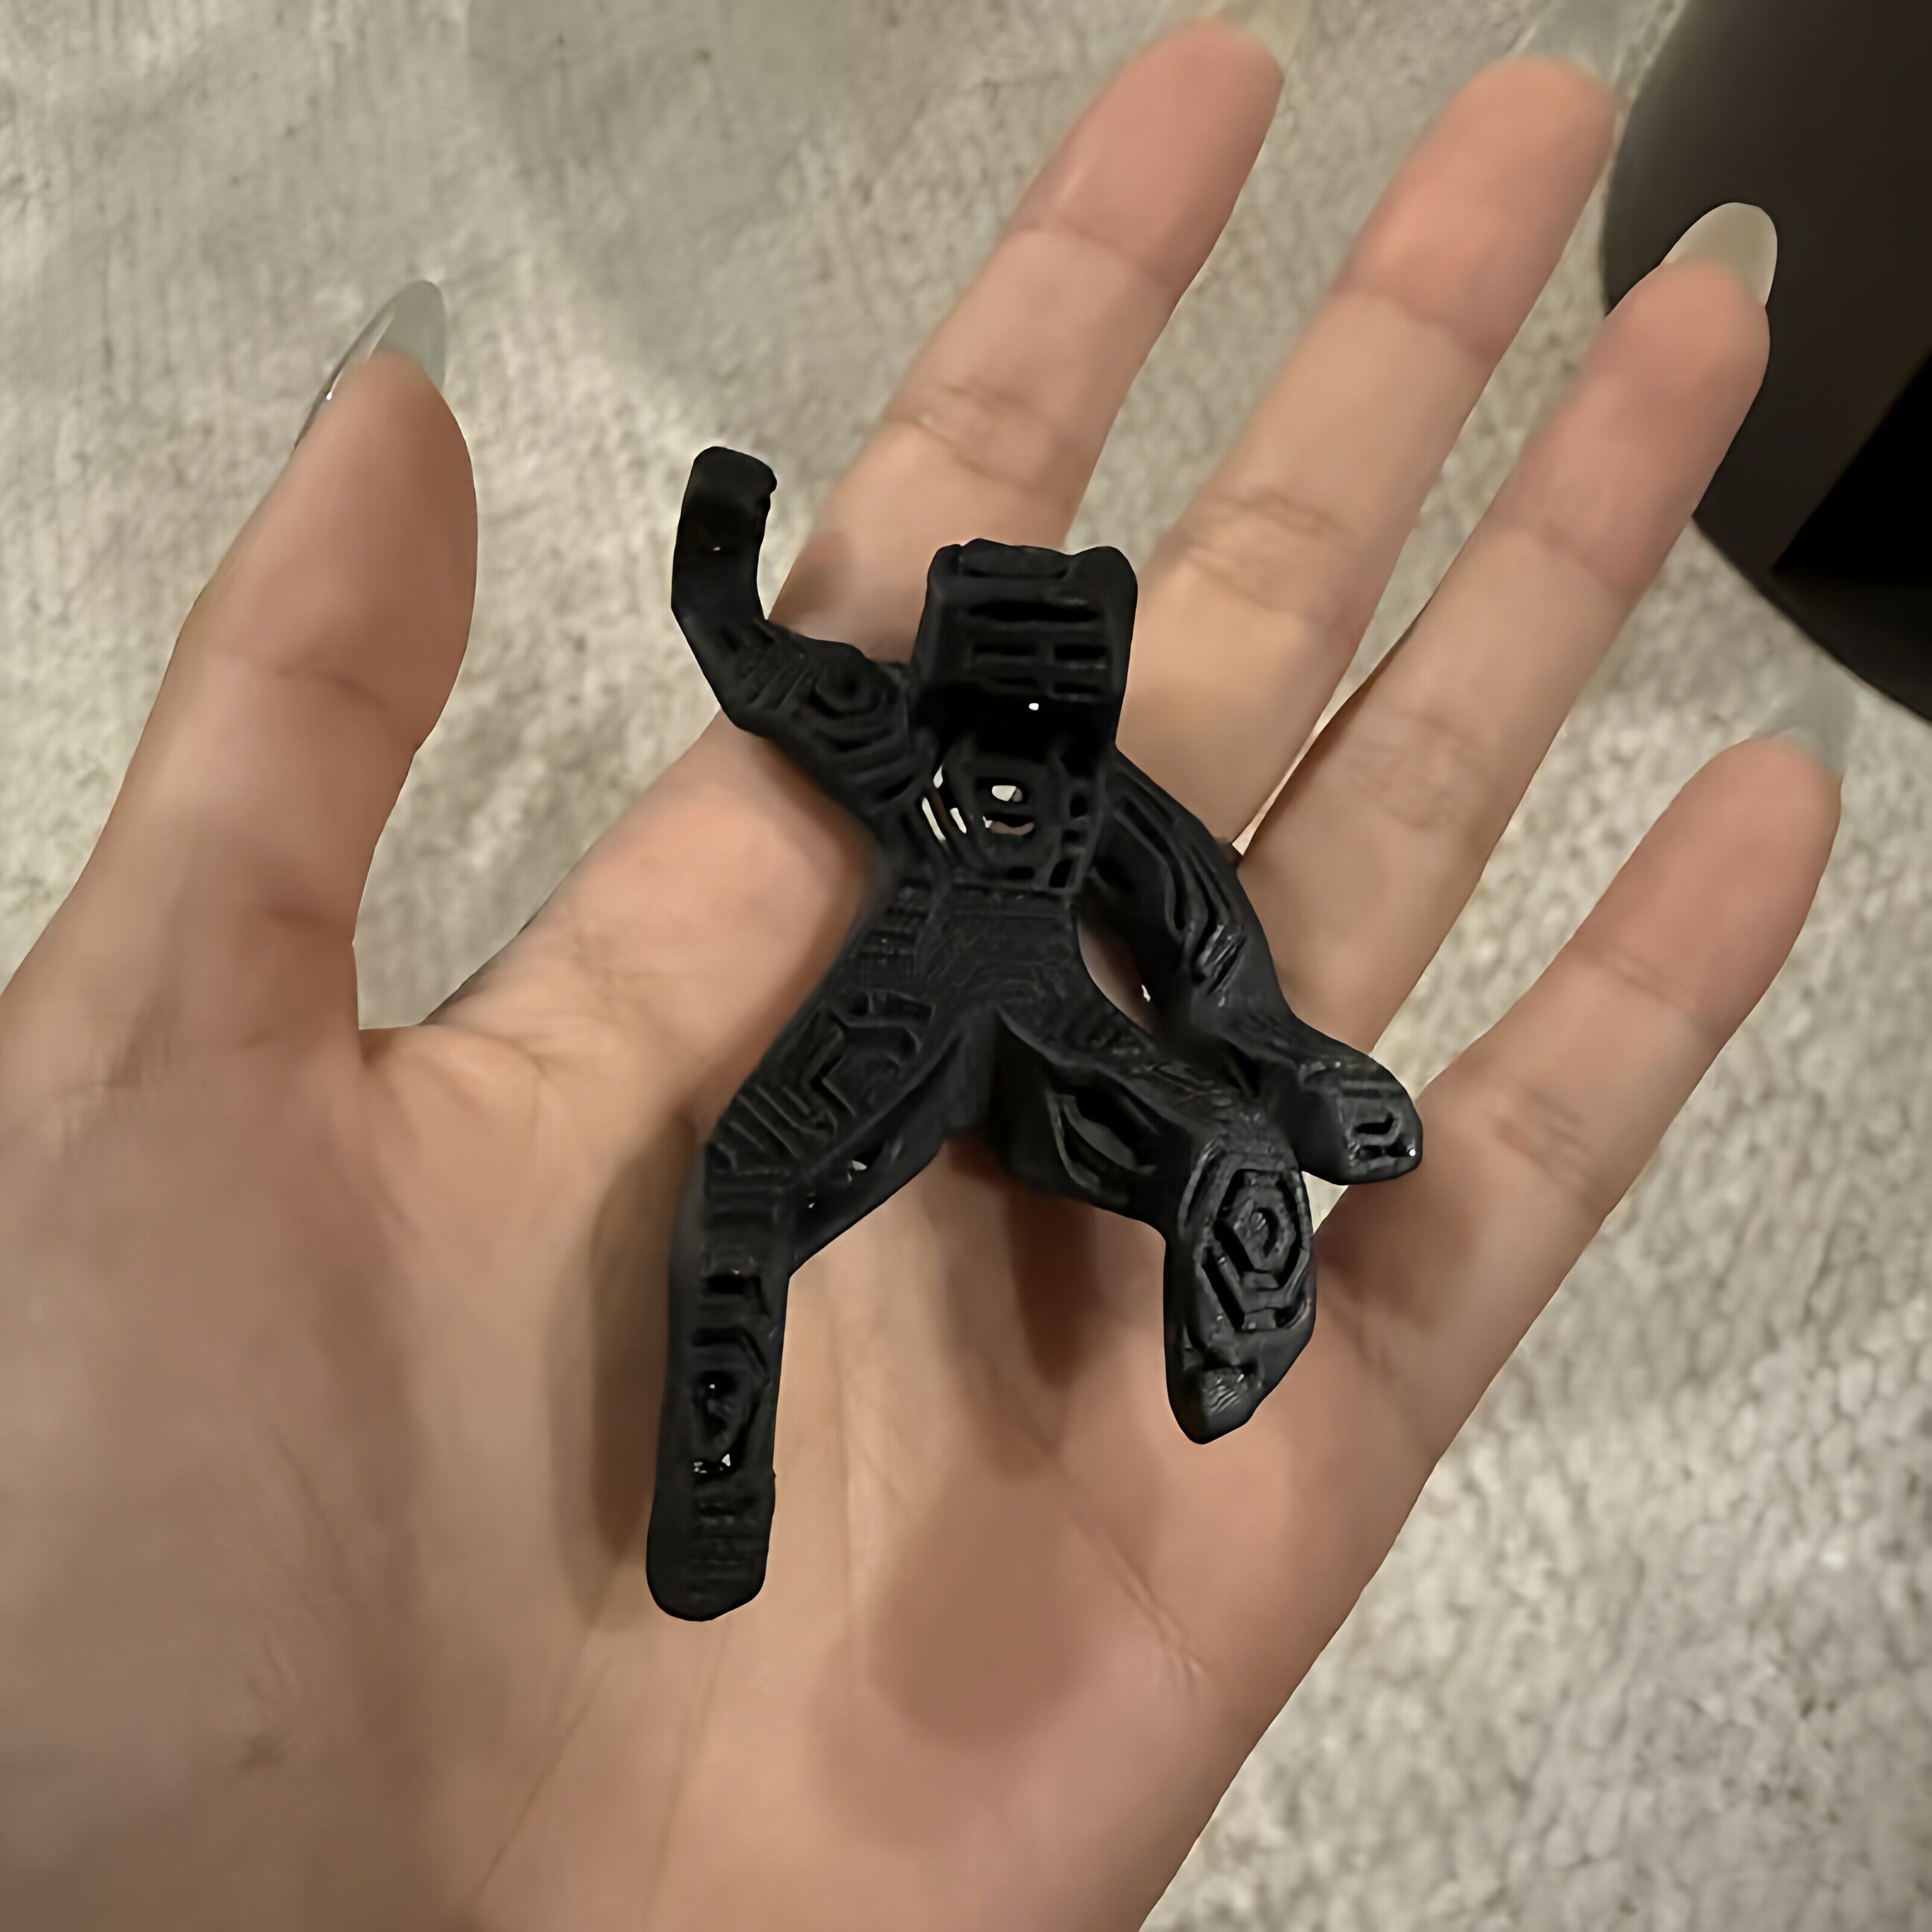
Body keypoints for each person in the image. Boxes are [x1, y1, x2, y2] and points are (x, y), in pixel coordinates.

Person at [0, 18, 1839, 1930]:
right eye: (1005, 692)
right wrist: (719, 555)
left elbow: (1210, 949)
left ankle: (1222, 1274)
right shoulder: (909, 751)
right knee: (742, 1200)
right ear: (961, 669)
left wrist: (1289, 1078)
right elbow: (769, 671)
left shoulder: (1096, 805)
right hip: (896, 1014)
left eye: (1056, 699)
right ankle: (722, 1472)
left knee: (1189, 1141)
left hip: (1048, 1028)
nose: (1024, 740)